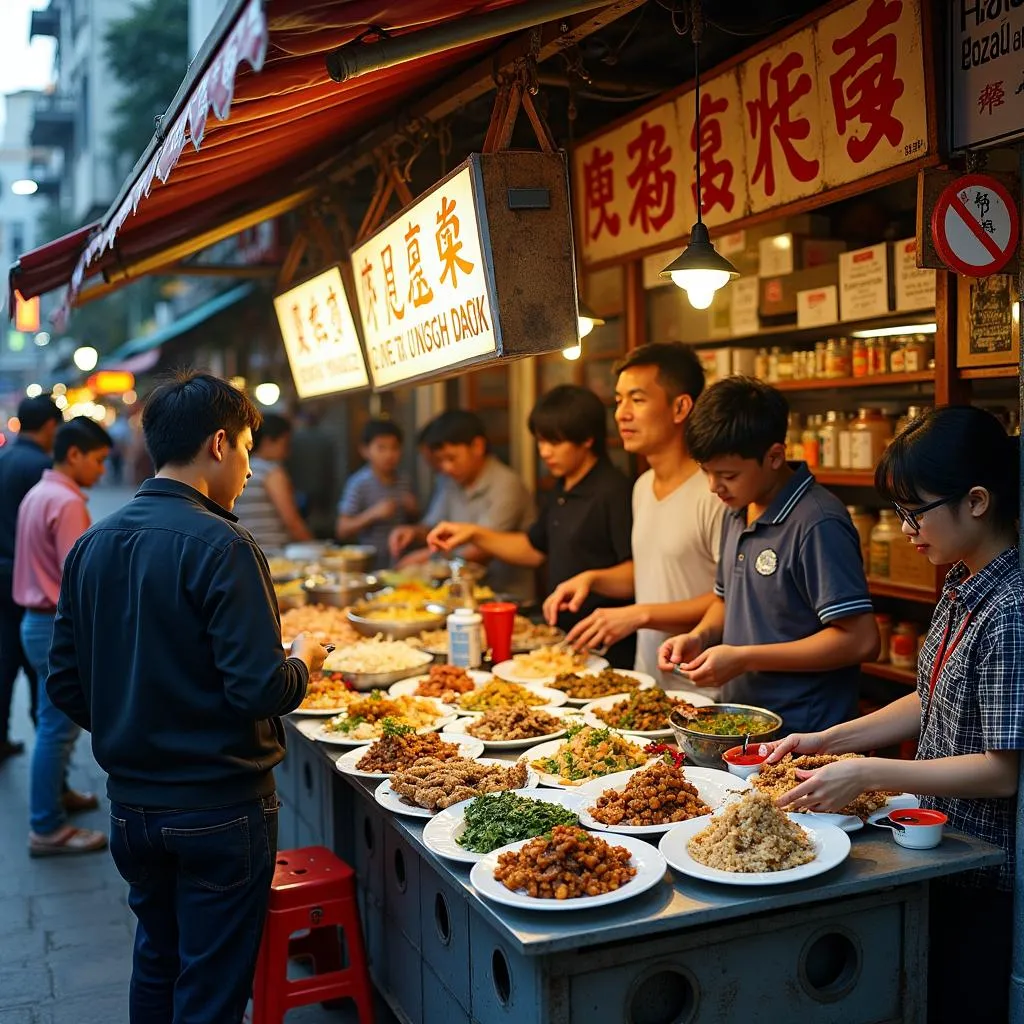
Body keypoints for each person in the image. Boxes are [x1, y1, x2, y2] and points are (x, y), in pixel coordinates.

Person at [46, 372, 329, 1023]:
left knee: (157, 962)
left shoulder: (92, 546)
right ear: (221, 444)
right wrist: (305, 661)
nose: (252, 471)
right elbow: (259, 687)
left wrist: (130, 723)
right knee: (210, 989)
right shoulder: (224, 544)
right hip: (220, 808)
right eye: (251, 452)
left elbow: (66, 682)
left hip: (133, 810)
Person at [763, 406, 1022, 1024]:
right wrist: (827, 741)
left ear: (978, 500)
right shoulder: (963, 583)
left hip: (981, 868)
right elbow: (928, 699)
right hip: (935, 846)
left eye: (916, 511)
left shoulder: (1011, 610)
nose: (907, 529)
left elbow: (1003, 770)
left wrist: (870, 774)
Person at [658, 377, 879, 733]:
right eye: (706, 472)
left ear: (775, 456)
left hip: (807, 733)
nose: (714, 487)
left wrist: (744, 658)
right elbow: (725, 599)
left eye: (727, 474)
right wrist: (698, 637)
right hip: (744, 723)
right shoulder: (738, 508)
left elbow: (861, 640)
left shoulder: (817, 522)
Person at [542, 343, 724, 686]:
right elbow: (656, 572)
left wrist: (639, 615)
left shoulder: (714, 491)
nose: (621, 414)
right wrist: (593, 579)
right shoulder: (642, 487)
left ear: (680, 407)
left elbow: (729, 598)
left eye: (637, 400)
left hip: (703, 687)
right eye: (619, 399)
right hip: (650, 679)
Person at [427, 385, 635, 667]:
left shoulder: (614, 491)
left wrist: (591, 578)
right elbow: (534, 549)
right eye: (540, 442)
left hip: (607, 645)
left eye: (555, 442)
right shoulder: (562, 486)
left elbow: (635, 572)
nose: (545, 452)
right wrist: (473, 533)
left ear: (587, 439)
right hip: (562, 639)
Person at [16, 417, 112, 856]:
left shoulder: (39, 493)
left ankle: (55, 798)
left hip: (33, 622)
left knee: (51, 723)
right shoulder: (67, 502)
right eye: (98, 460)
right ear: (73, 454)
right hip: (53, 625)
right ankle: (46, 827)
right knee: (57, 729)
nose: (101, 471)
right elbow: (82, 581)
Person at [388, 410, 535, 601]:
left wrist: (425, 559)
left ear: (477, 446)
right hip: (460, 597)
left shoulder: (507, 485)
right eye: (440, 460)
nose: (446, 467)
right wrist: (413, 532)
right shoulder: (449, 481)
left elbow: (480, 550)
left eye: (452, 458)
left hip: (506, 598)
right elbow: (434, 527)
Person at [0, 394, 62, 761]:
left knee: (4, 660)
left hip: (1, 575)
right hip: (28, 581)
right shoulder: (42, 466)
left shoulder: (4, 458)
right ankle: (50, 756)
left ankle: (2, 735)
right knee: (41, 669)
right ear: (51, 426)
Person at [336, 419, 418, 569]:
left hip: (401, 561)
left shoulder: (405, 480)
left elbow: (415, 522)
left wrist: (413, 510)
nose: (389, 455)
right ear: (365, 450)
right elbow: (342, 529)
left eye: (395, 448)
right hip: (369, 565)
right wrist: (373, 514)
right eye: (381, 448)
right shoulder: (359, 483)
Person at [232, 412, 313, 550]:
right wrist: (314, 547)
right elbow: (291, 520)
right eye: (286, 443)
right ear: (268, 441)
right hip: (273, 552)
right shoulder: (272, 471)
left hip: (248, 549)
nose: (288, 452)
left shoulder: (243, 468)